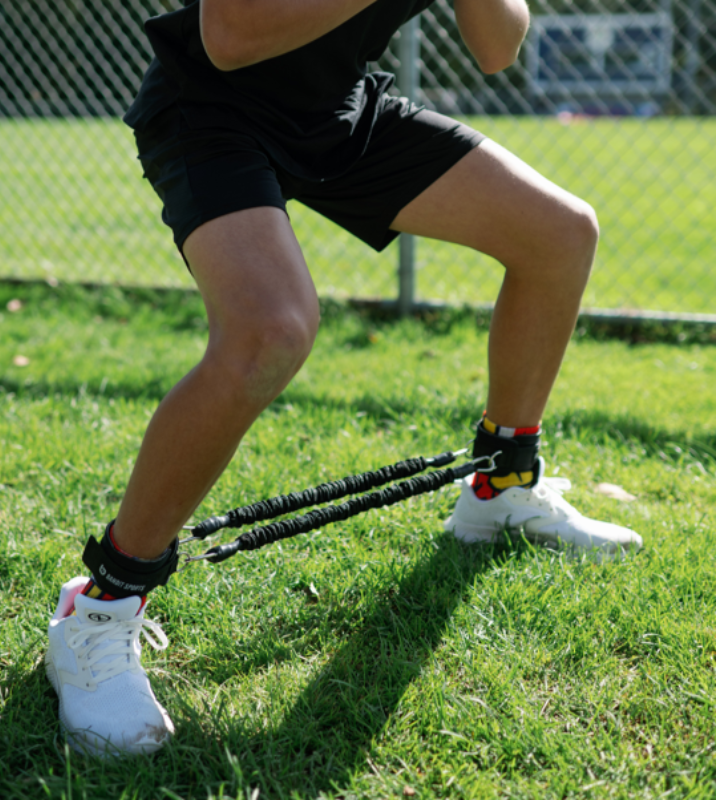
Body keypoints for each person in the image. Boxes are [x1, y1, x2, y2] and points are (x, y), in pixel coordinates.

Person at [45, 0, 643, 756]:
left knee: (560, 232)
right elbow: (229, 39)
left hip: (338, 114)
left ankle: (502, 488)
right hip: (211, 108)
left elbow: (498, 46)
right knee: (272, 331)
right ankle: (98, 611)